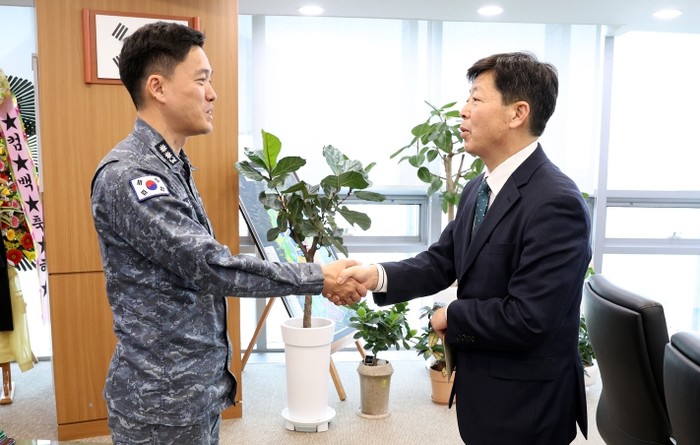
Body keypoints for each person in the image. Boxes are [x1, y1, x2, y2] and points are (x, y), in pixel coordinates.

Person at [90, 22, 364, 445]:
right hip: (160, 403)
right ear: (158, 87)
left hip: (192, 392)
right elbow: (209, 266)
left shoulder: (170, 166)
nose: (212, 94)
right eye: (201, 80)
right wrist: (317, 276)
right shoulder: (132, 175)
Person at [338, 52, 591, 444]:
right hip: (484, 393)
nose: (463, 110)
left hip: (528, 406)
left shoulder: (556, 202)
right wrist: (376, 276)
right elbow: (443, 260)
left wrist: (452, 315)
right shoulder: (479, 187)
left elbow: (529, 317)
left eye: (476, 98)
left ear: (517, 113)